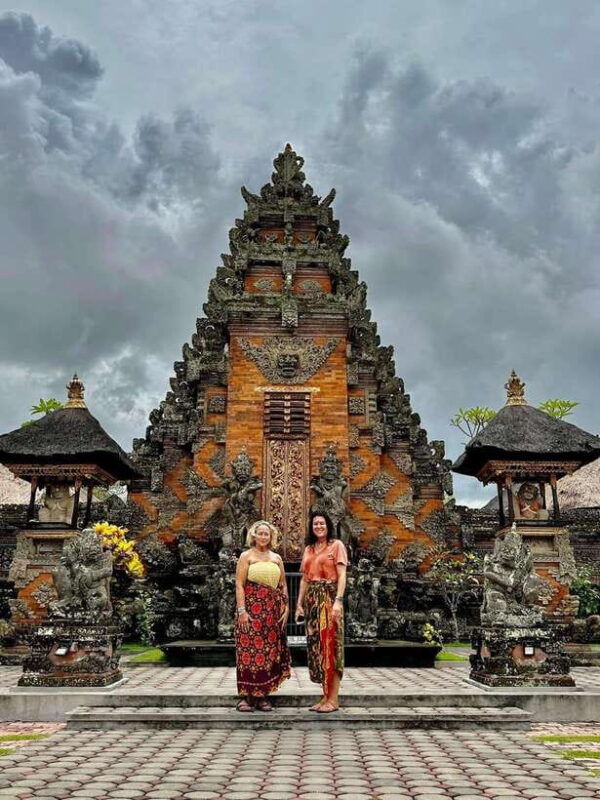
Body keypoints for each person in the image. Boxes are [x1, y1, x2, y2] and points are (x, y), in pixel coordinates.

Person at [234, 520, 291, 711]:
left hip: (272, 612)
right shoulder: (246, 556)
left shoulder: (276, 558)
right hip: (251, 610)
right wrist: (242, 611)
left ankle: (263, 697)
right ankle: (248, 698)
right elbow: (239, 585)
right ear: (254, 535)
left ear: (271, 536)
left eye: (267, 534)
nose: (263, 536)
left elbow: (283, 585)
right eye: (260, 533)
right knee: (249, 652)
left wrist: (286, 608)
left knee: (269, 652)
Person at [295, 511, 348, 713]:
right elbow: (305, 579)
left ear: (328, 526)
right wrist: (299, 604)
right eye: (315, 523)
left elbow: (342, 575)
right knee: (317, 647)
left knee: (331, 646)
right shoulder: (309, 549)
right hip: (312, 601)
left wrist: (338, 601)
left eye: (322, 523)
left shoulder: (336, 546)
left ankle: (333, 699)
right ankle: (325, 696)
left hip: (329, 598)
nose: (318, 526)